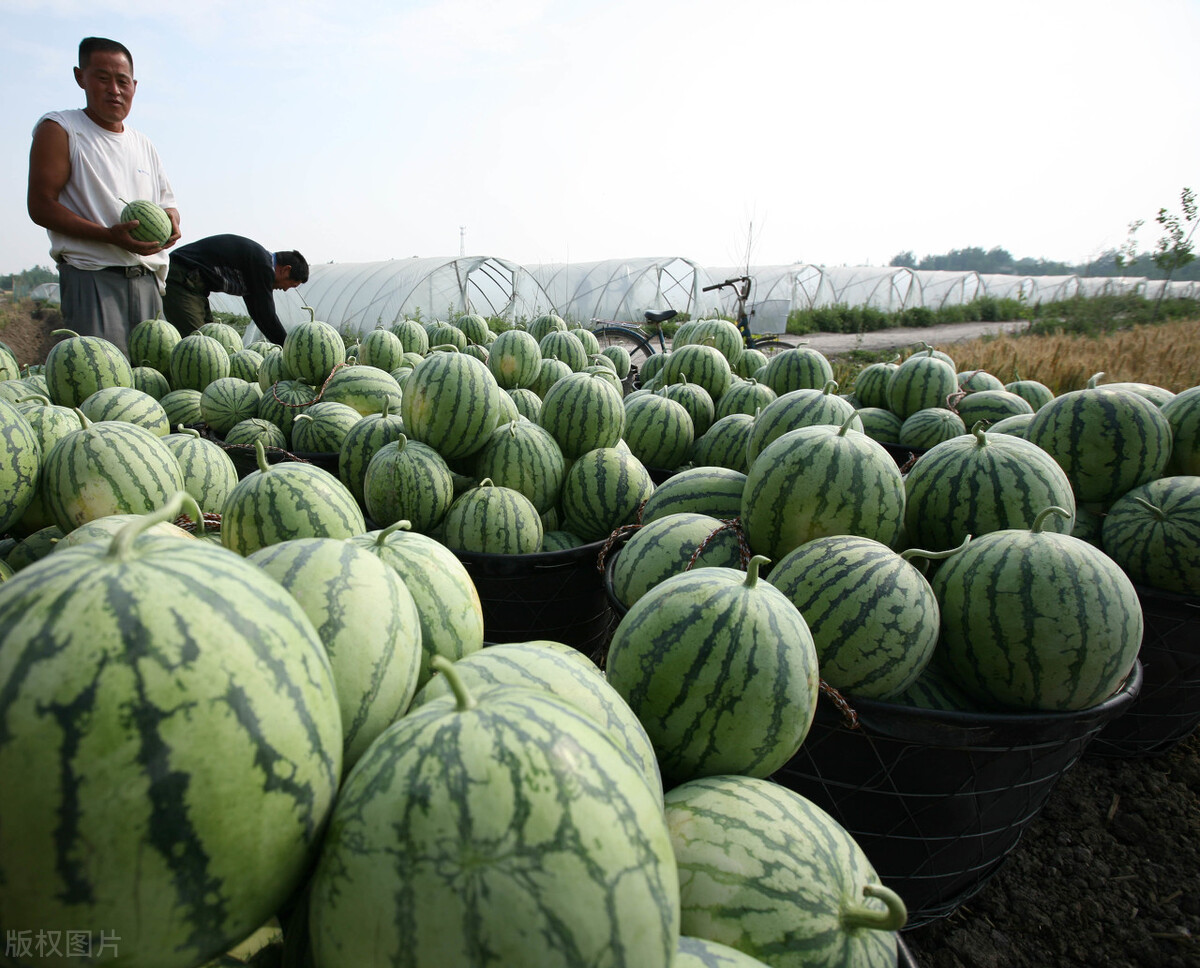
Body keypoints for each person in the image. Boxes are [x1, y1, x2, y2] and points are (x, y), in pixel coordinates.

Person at [27, 37, 180, 355]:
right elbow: (41, 205)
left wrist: (172, 223)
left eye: (122, 81)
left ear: (134, 85)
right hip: (92, 277)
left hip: (147, 279)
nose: (114, 89)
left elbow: (167, 204)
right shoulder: (61, 128)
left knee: (152, 387)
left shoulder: (143, 144)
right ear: (80, 76)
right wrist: (108, 236)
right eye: (102, 78)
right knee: (101, 388)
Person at [163, 236, 308, 346]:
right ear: (286, 269)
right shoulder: (262, 265)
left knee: (212, 343)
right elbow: (266, 315)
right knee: (199, 345)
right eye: (291, 284)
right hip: (181, 277)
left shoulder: (256, 265)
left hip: (194, 286)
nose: (284, 289)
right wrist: (288, 347)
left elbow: (258, 314)